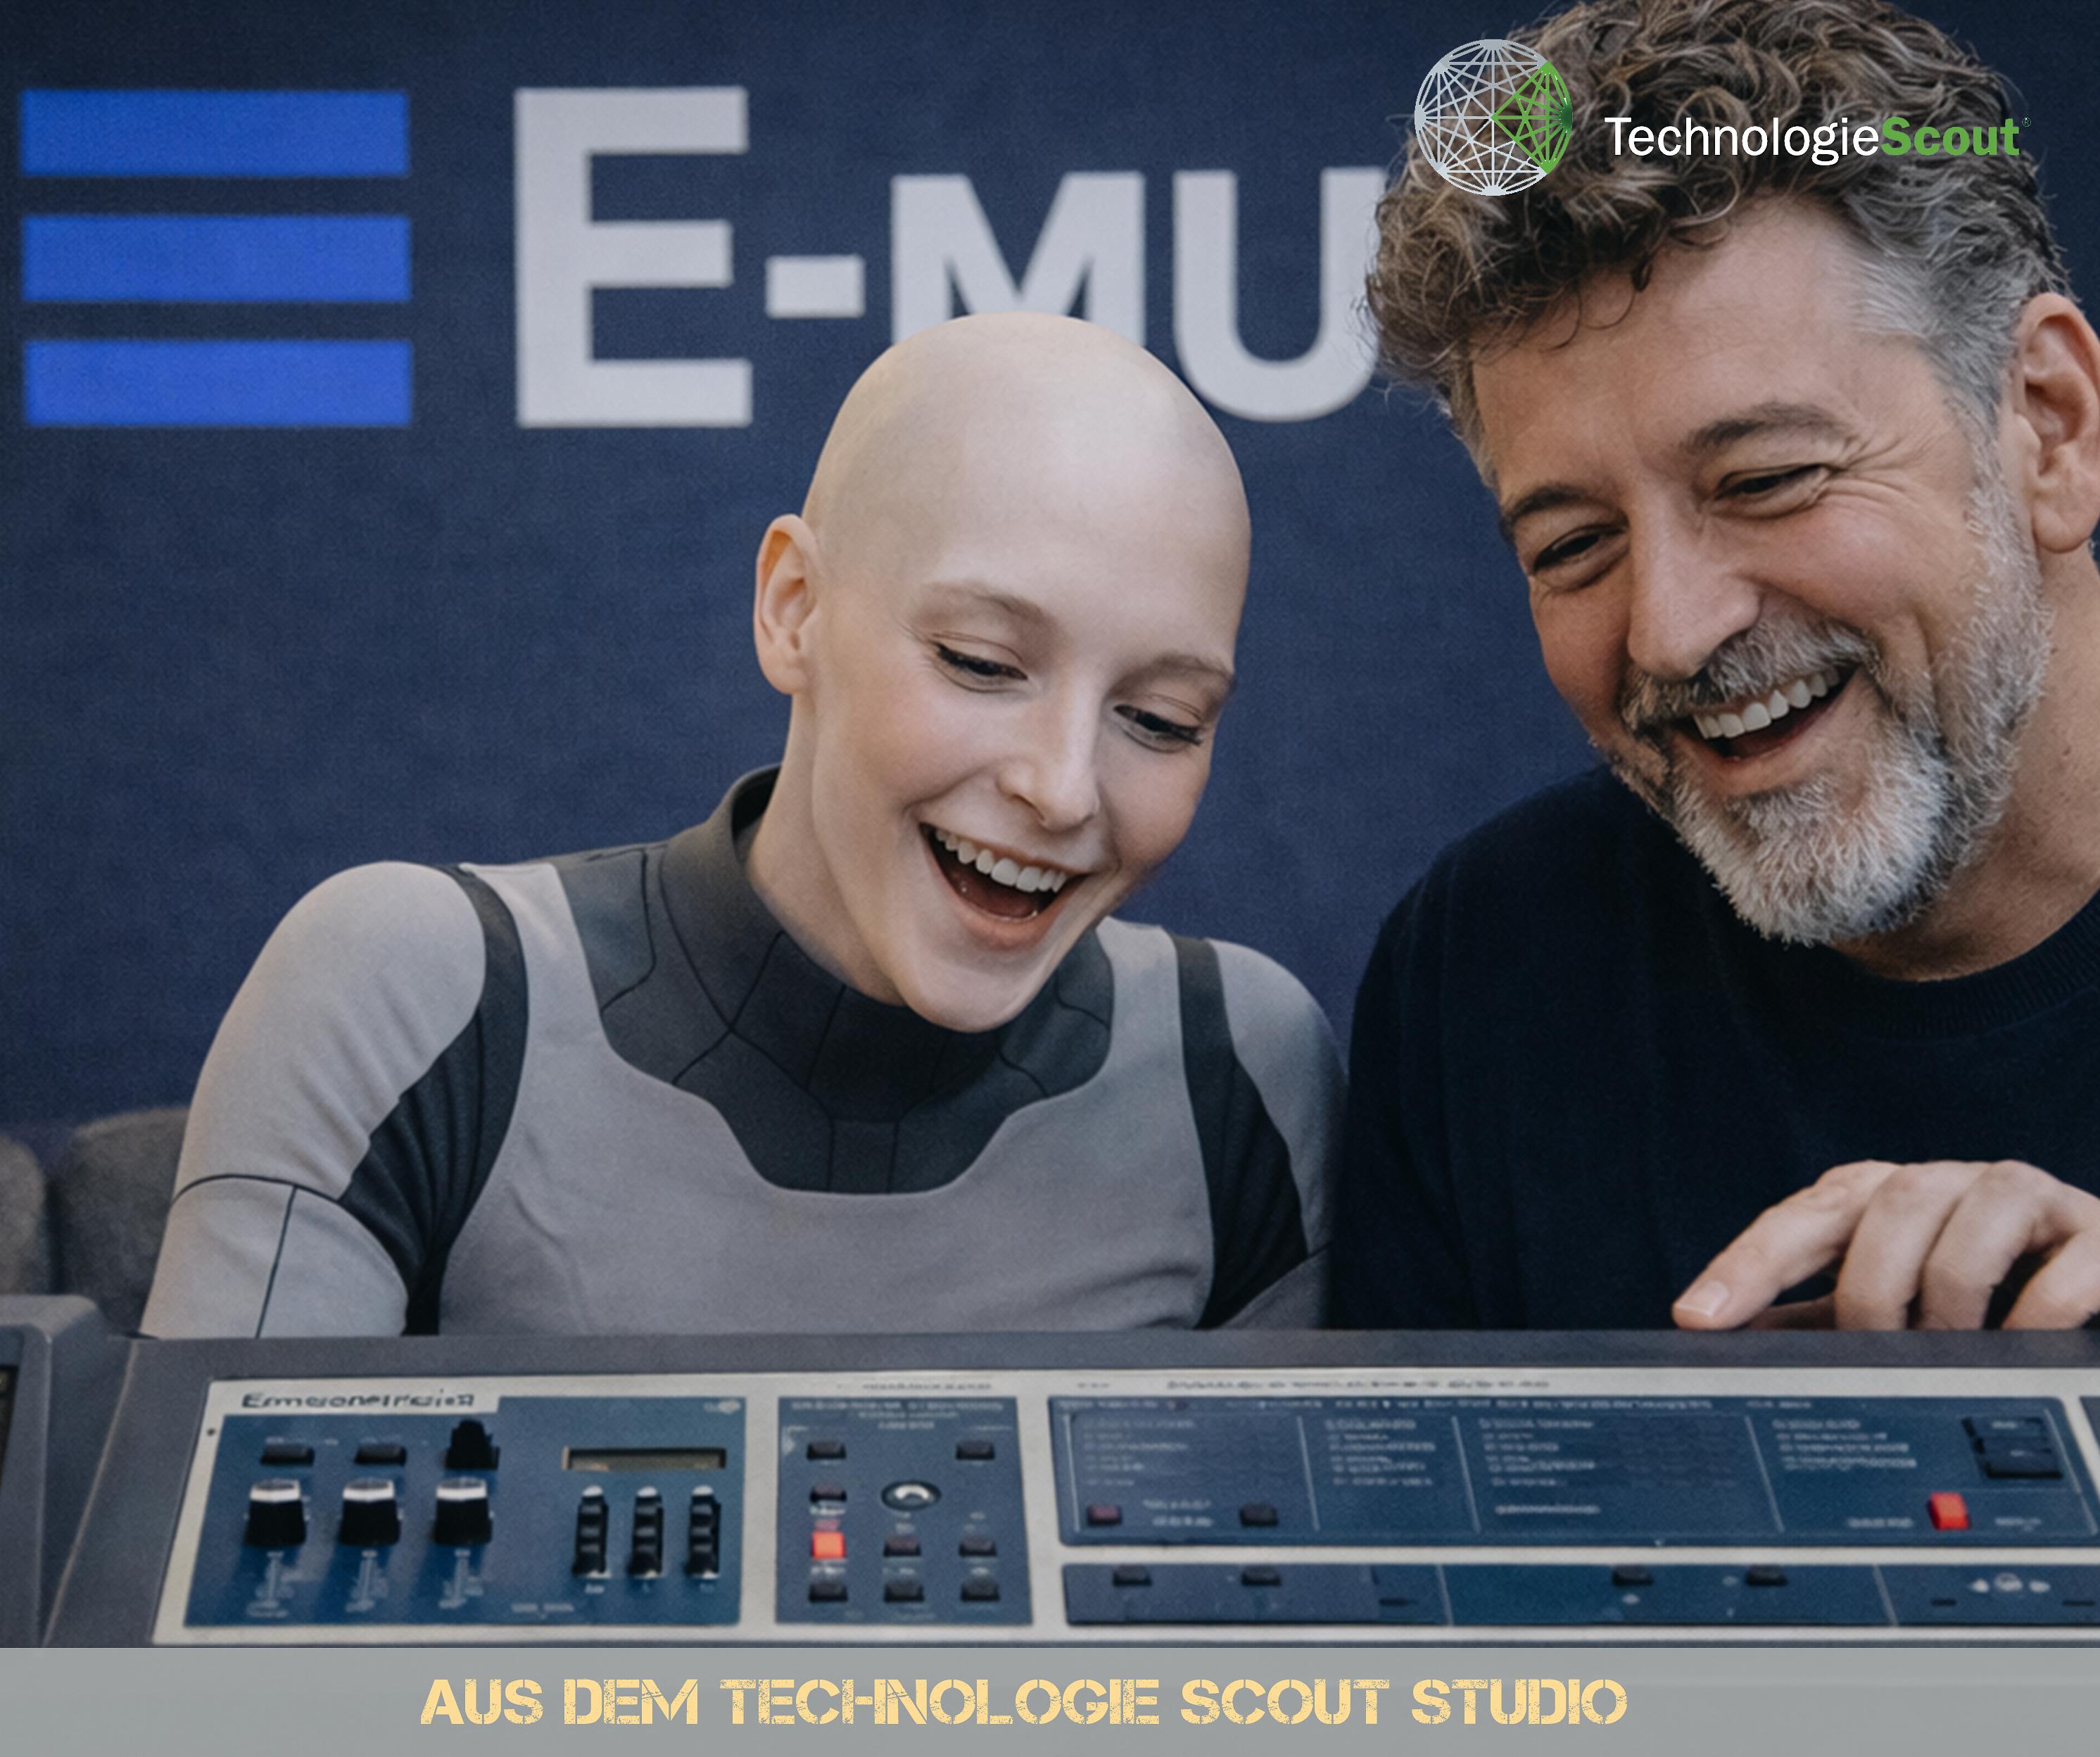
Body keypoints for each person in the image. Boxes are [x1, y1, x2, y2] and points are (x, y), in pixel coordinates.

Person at [143, 314, 1339, 1337]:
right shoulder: (417, 998)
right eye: (981, 663)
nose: (1064, 788)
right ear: (793, 607)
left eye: (1161, 720)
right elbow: (200, 1530)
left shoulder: (1239, 1071)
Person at [1337, 0, 2100, 1331]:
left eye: (1766, 479)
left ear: (2049, 425)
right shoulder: (1491, 969)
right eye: (1574, 545)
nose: (1672, 632)